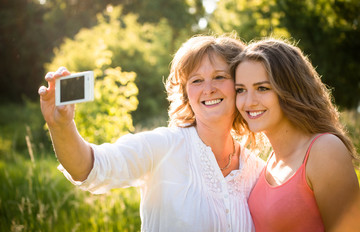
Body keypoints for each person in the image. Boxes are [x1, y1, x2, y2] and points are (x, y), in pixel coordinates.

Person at [38, 34, 264, 232]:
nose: (208, 88)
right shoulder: (163, 146)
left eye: (219, 76)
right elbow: (89, 167)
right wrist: (61, 126)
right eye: (196, 80)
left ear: (239, 86)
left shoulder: (258, 171)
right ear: (186, 94)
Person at [231, 38, 360, 232]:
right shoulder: (269, 162)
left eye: (263, 88)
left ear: (290, 90)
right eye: (241, 90)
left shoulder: (324, 150)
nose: (249, 102)